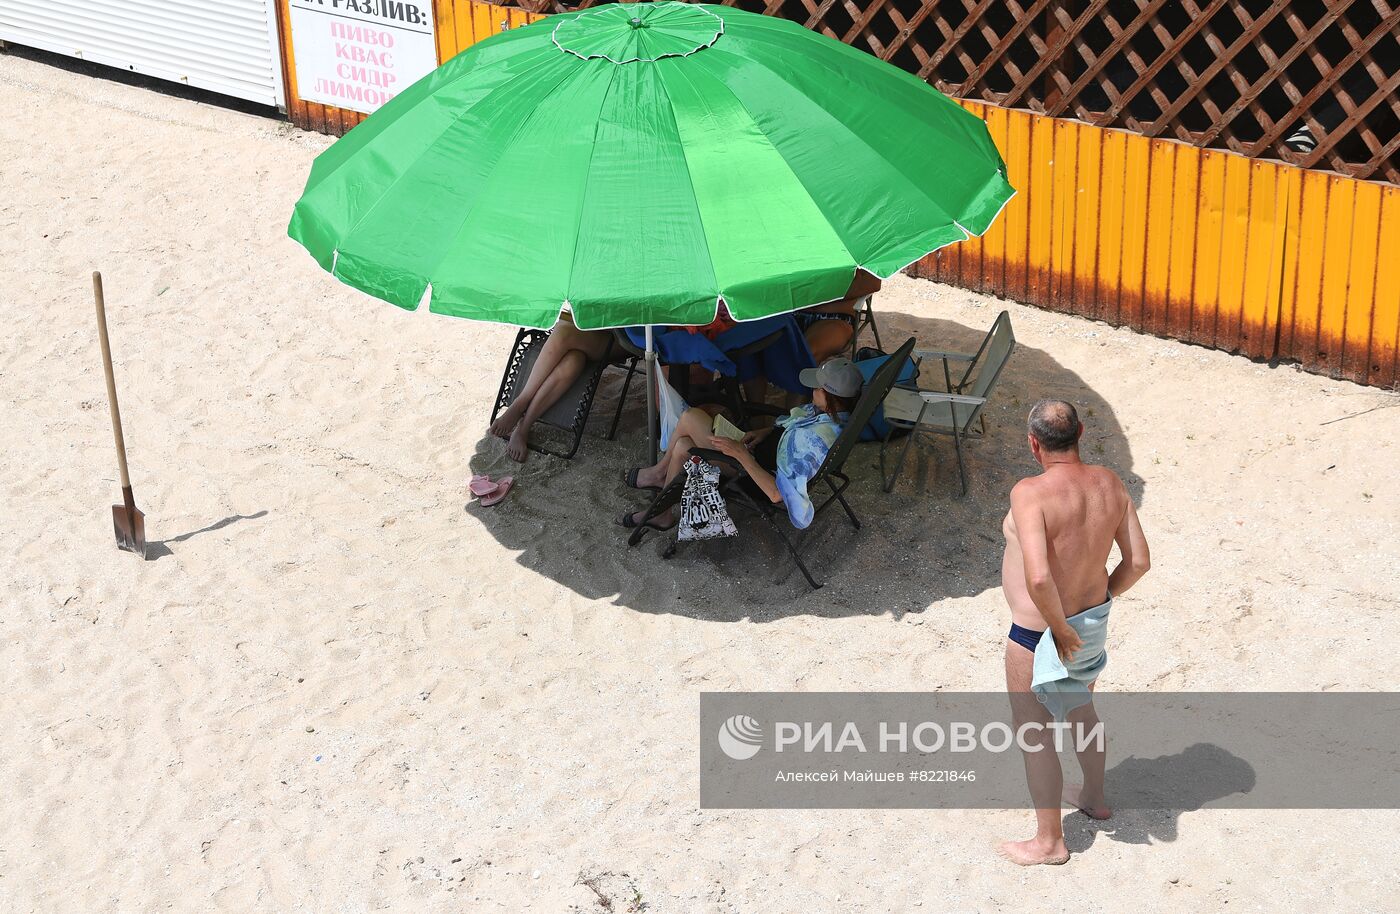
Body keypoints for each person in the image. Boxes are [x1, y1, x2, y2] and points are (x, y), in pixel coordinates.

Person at [999, 399, 1150, 866]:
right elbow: (1139, 562)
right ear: (1080, 432)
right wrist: (1102, 598)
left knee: (1035, 735)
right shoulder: (1110, 484)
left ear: (1033, 443)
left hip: (1040, 633)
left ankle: (1049, 842)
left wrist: (1060, 629)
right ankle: (1095, 798)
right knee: (1083, 711)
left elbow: (1040, 578)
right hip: (1090, 625)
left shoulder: (1030, 492)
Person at [618, 358, 864, 531]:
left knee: (691, 418)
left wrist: (740, 454)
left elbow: (777, 494)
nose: (812, 389)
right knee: (683, 445)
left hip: (751, 474)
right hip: (758, 456)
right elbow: (793, 428)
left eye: (818, 387)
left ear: (830, 397)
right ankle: (662, 514)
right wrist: (766, 432)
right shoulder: (835, 419)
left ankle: (660, 476)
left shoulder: (807, 443)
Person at [488, 313, 612, 462]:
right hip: (585, 320)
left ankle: (522, 404)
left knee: (564, 332)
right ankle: (524, 425)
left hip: (616, 334)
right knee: (574, 361)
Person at [794, 271, 882, 366]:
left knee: (807, 355)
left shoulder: (854, 257)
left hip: (834, 318)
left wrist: (817, 296)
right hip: (788, 312)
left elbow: (873, 282)